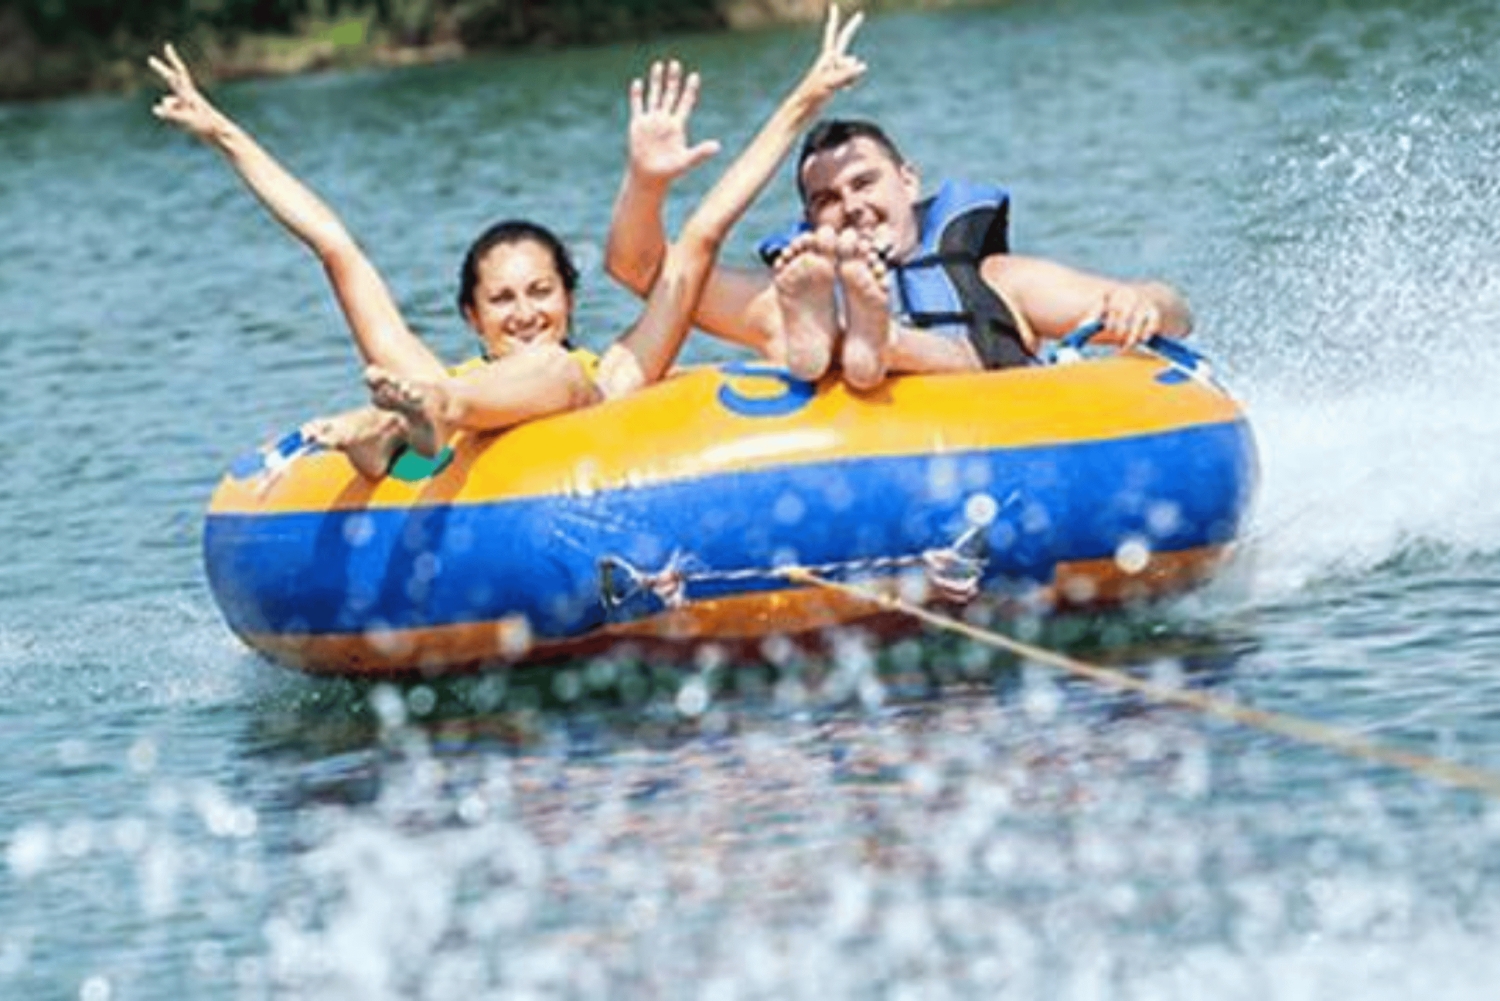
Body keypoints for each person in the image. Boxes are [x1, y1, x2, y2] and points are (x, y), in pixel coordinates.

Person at [146, 5, 867, 477]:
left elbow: (704, 233)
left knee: (556, 374)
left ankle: (395, 431)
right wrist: (224, 132)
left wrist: (804, 99)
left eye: (539, 291)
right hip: (439, 403)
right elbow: (334, 245)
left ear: (568, 298)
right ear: (472, 316)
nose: (524, 312)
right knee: (470, 384)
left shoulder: (615, 373)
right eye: (502, 298)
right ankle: (395, 431)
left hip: (443, 406)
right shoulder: (433, 371)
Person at [607, 85, 1194, 390]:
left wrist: (1143, 300)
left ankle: (880, 341)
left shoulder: (997, 279)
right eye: (827, 200)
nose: (853, 206)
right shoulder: (791, 287)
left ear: (907, 180)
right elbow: (643, 272)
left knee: (910, 345)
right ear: (812, 225)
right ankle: (843, 340)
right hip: (869, 459)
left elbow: (1175, 315)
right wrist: (645, 183)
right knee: (801, 318)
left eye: (865, 182)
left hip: (1003, 439)